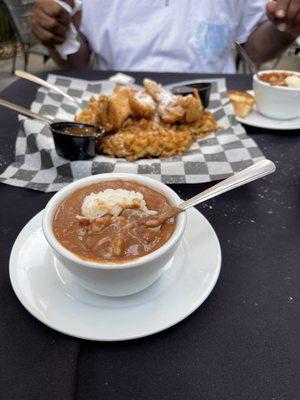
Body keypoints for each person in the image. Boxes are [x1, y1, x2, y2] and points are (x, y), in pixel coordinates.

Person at [30, 0, 300, 73]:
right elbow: (77, 62)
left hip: (212, 114)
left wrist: (287, 26)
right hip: (113, 109)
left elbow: (255, 50)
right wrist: (55, 35)